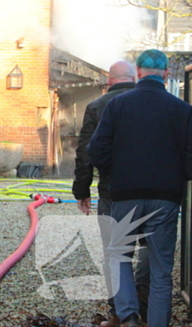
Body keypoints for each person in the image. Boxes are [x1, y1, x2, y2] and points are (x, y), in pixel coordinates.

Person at [89, 49, 192, 327]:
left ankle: (128, 317)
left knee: (119, 256)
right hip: (166, 199)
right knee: (161, 269)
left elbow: (96, 149)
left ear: (137, 72)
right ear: (167, 74)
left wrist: (118, 171)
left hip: (125, 196)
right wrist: (174, 177)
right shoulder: (183, 110)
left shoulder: (118, 105)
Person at [72, 61, 149, 327]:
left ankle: (122, 313)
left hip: (113, 192)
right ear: (135, 77)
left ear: (109, 80)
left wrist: (82, 189)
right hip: (154, 190)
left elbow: (86, 152)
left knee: (116, 253)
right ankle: (146, 304)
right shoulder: (151, 102)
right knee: (152, 249)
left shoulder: (97, 106)